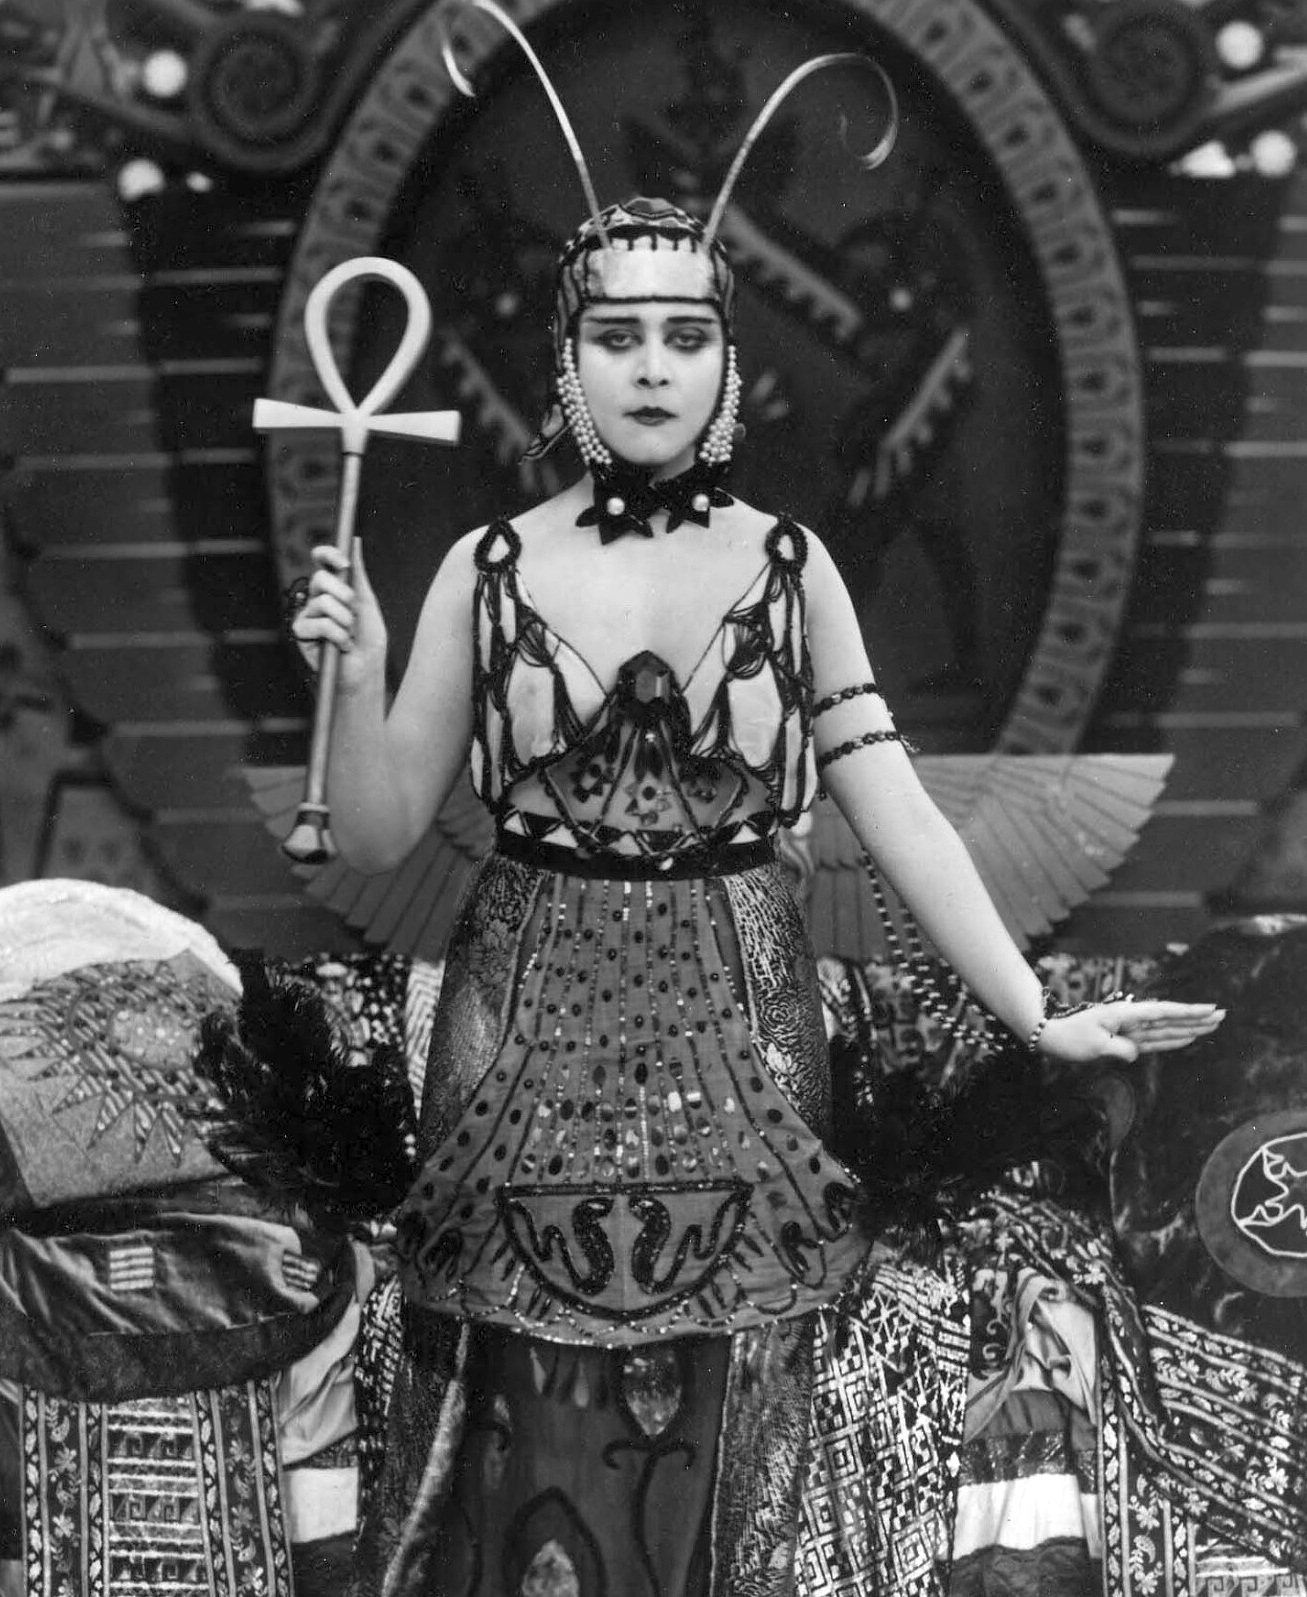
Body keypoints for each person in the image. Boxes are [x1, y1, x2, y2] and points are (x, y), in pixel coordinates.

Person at [287, 24, 1221, 1596]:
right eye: (617, 336)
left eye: (684, 336)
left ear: (728, 361)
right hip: (518, 1041)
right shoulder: (482, 571)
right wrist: (366, 664)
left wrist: (1034, 1012)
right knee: (522, 1409)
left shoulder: (790, 571)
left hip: (739, 1029)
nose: (652, 367)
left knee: (738, 1412)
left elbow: (902, 815)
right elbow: (373, 835)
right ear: (567, 362)